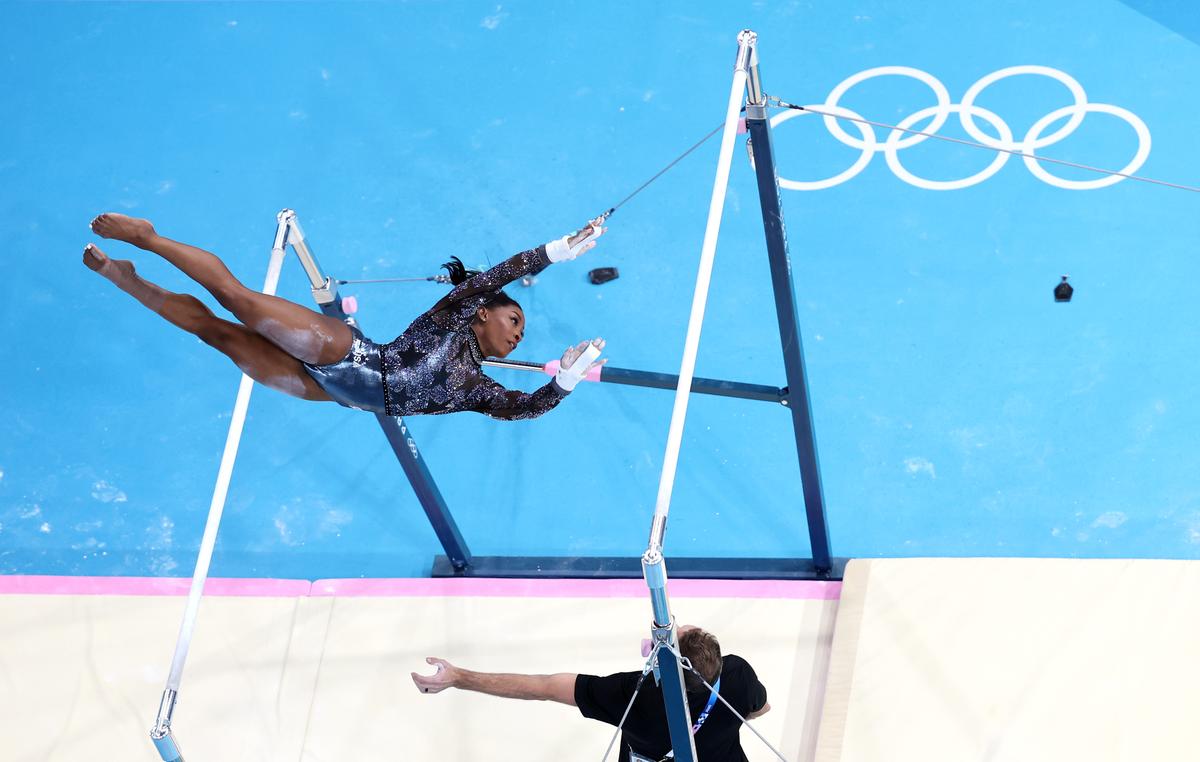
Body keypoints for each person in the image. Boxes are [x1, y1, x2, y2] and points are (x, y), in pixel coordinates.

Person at [84, 212, 608, 420]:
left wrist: (564, 381)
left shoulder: (477, 388)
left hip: (326, 390)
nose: (519, 334)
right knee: (237, 300)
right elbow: (494, 277)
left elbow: (522, 408)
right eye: (514, 319)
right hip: (344, 352)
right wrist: (555, 252)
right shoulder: (453, 315)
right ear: (480, 313)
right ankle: (147, 238)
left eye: (521, 332)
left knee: (217, 336)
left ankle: (129, 280)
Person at [410, 626, 771, 761]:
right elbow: (761, 708)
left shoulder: (630, 694)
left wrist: (459, 677)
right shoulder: (735, 673)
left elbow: (544, 687)